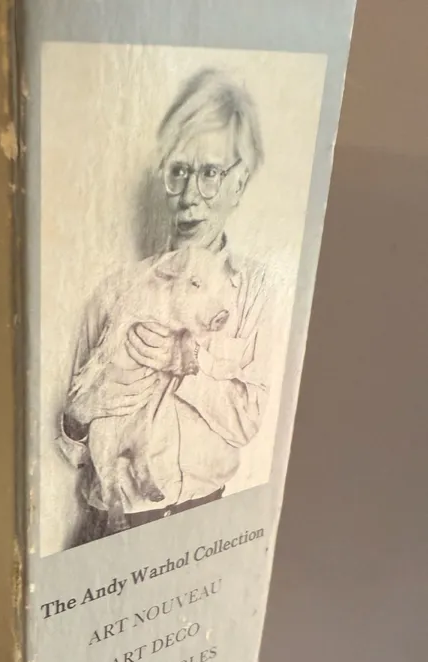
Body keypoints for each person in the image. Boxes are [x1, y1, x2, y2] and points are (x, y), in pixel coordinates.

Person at [59, 68, 271, 547]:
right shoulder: (114, 293)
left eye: (211, 173)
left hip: (203, 524)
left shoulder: (257, 291)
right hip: (111, 528)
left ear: (239, 183)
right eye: (179, 171)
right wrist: (79, 415)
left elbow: (247, 422)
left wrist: (186, 363)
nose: (191, 196)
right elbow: (73, 449)